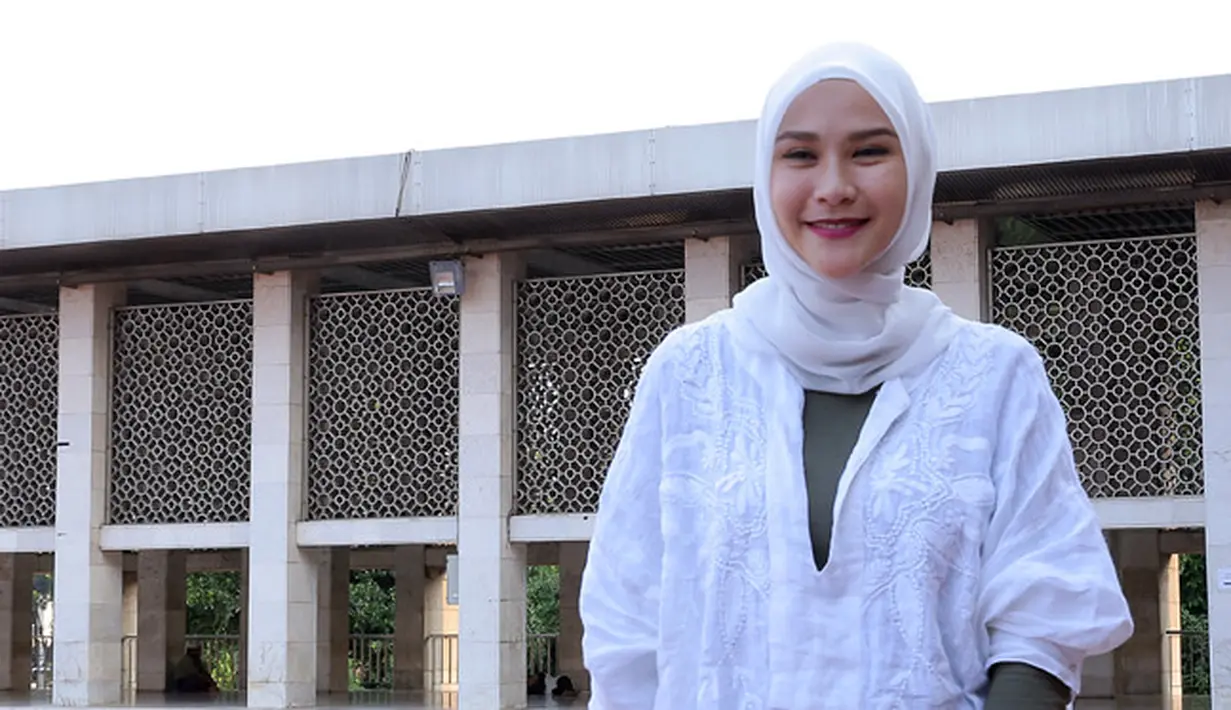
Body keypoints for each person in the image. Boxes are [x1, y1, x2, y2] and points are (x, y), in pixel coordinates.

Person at [579, 43, 1134, 709]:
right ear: (765, 171)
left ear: (917, 169)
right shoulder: (690, 373)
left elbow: (1042, 618)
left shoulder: (993, 375)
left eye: (869, 151)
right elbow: (626, 623)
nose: (833, 185)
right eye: (800, 154)